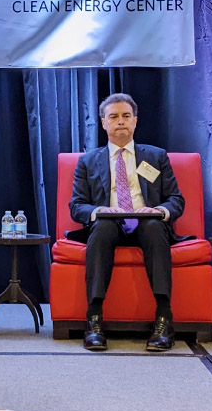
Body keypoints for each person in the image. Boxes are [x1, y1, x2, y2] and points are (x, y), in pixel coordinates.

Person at [69, 93, 185, 352]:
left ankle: (164, 320)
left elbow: (176, 199)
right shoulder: (88, 162)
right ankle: (94, 319)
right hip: (109, 223)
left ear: (135, 121)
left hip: (147, 223)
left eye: (125, 116)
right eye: (113, 117)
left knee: (155, 227)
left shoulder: (156, 157)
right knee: (102, 227)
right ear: (103, 123)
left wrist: (158, 210)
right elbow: (76, 206)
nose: (120, 122)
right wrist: (100, 209)